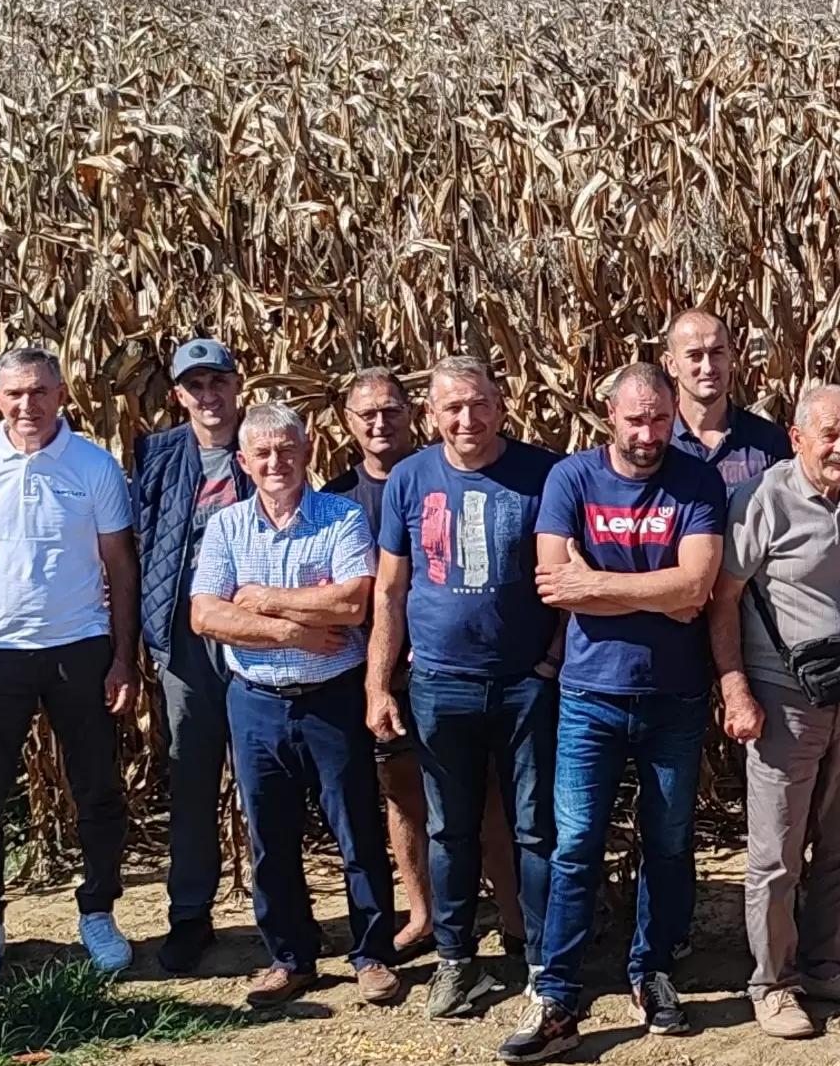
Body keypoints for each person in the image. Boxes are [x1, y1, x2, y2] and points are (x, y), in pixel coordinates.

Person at [518, 361, 728, 1060]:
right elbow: (555, 586)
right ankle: (558, 992)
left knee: (666, 842)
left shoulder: (695, 480)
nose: (647, 433)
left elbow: (696, 585)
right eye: (635, 419)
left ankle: (652, 969)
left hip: (675, 694)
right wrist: (653, 591)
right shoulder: (571, 479)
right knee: (575, 844)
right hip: (589, 695)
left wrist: (597, 581)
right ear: (608, 413)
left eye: (659, 419)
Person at [0, 342, 140, 984]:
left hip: (80, 646)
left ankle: (99, 912)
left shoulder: (93, 465)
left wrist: (124, 659)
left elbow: (121, 567)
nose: (28, 404)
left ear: (62, 395)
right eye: (15, 393)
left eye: (40, 391)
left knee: (97, 790)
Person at [368, 355, 563, 1022]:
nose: (466, 418)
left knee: (535, 830)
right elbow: (389, 590)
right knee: (449, 830)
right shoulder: (409, 478)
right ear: (431, 414)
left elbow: (567, 580)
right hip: (438, 684)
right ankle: (457, 964)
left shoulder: (542, 474)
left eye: (478, 403)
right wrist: (379, 684)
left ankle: (543, 963)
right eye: (452, 406)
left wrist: (551, 662)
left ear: (501, 404)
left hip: (524, 685)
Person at [186, 401, 401, 1005]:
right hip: (254, 700)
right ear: (244, 462)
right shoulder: (227, 527)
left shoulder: (342, 517)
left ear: (307, 452)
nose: (276, 462)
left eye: (287, 450)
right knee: (271, 837)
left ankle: (372, 954)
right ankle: (291, 956)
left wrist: (259, 598)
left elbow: (352, 604)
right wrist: (293, 628)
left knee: (355, 829)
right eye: (263, 454)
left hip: (330, 696)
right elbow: (206, 613)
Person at [715, 384, 840, 1040]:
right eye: (828, 435)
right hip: (783, 697)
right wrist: (736, 689)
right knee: (776, 851)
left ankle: (827, 964)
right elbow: (723, 599)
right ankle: (772, 982)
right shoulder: (761, 498)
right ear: (796, 439)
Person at [132, 335, 251, 974]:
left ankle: (282, 918)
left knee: (266, 778)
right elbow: (137, 546)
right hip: (182, 636)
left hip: (252, 633)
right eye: (194, 386)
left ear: (237, 386)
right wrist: (138, 642)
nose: (208, 396)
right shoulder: (156, 455)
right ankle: (189, 915)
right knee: (192, 776)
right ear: (179, 395)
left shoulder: (265, 447)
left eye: (217, 383)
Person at [328, 368, 437, 968]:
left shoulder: (437, 479)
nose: (379, 423)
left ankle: (501, 909)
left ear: (411, 413)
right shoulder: (336, 497)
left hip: (444, 663)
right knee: (401, 794)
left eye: (391, 411)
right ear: (347, 422)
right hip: (371, 669)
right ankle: (420, 911)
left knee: (484, 791)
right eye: (366, 413)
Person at [663, 306, 792, 506]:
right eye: (695, 355)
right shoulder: (656, 442)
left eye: (716, 353)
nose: (708, 367)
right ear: (671, 364)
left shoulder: (769, 442)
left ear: (731, 357)